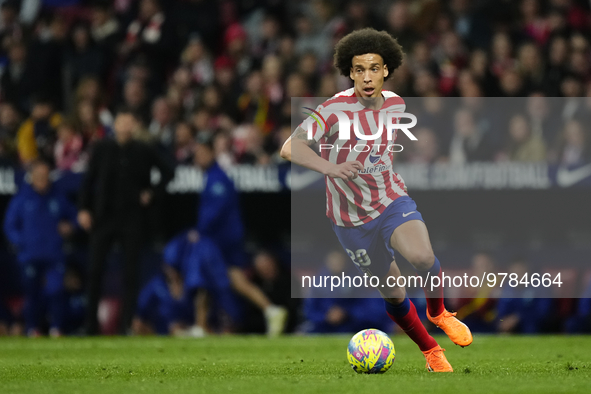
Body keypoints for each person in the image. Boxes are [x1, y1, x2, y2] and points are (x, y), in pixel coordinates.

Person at [280, 28, 472, 372]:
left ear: (386, 70)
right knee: (394, 294)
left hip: (390, 201)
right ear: (349, 73)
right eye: (359, 70)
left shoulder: (396, 104)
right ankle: (431, 351)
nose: (367, 77)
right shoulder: (333, 109)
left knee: (423, 257)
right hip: (350, 221)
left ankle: (439, 312)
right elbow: (289, 147)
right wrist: (331, 167)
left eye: (374, 68)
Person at [78, 108, 174, 335]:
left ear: (135, 126)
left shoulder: (143, 150)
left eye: (130, 122)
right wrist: (83, 209)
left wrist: (151, 192)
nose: (125, 126)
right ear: (115, 124)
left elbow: (168, 172)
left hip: (132, 218)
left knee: (131, 273)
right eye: (122, 121)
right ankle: (91, 326)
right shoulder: (102, 148)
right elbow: (88, 180)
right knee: (95, 271)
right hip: (104, 217)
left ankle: (126, 325)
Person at [192, 133, 288, 336]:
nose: (197, 158)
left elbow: (215, 211)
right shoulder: (212, 176)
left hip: (222, 241)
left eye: (201, 153)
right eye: (195, 154)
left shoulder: (217, 178)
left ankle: (270, 309)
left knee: (222, 278)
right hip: (221, 240)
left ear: (211, 153)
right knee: (213, 279)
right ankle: (201, 326)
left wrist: (199, 231)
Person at [3, 160, 77, 336]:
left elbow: (75, 217)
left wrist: (70, 226)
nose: (43, 179)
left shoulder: (58, 198)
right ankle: (32, 328)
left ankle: (57, 328)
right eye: (39, 176)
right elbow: (10, 226)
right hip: (29, 255)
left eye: (45, 176)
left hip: (53, 253)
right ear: (32, 177)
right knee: (32, 294)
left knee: (56, 291)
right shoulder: (21, 199)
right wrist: (22, 242)